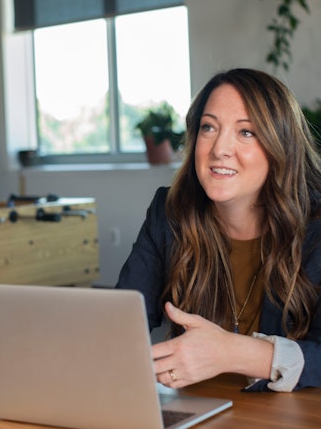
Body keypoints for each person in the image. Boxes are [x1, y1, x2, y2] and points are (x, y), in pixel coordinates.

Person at [116, 68, 321, 392]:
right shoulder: (169, 212)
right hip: (197, 414)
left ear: (281, 145)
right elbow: (123, 321)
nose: (219, 149)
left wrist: (233, 353)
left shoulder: (316, 227)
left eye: (247, 132)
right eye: (209, 127)